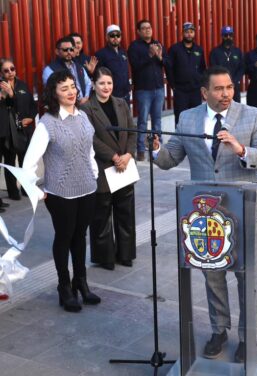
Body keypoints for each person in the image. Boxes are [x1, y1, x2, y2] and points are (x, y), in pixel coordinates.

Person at [152, 66, 257, 363]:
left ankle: (247, 337)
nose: (226, 94)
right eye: (219, 89)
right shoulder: (189, 118)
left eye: (230, 88)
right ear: (204, 92)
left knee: (247, 278)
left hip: (243, 210)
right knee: (213, 276)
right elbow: (171, 159)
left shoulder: (251, 115)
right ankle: (219, 330)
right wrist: (156, 150)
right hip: (205, 213)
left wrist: (242, 149)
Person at [23, 70, 101, 312]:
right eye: (64, 88)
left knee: (80, 237)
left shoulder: (83, 117)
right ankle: (64, 287)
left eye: (72, 86)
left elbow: (88, 151)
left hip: (88, 188)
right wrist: (36, 191)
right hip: (60, 193)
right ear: (54, 94)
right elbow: (28, 163)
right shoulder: (47, 123)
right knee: (64, 238)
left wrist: (94, 173)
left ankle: (82, 283)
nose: (71, 91)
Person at [81, 67, 137, 271]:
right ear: (94, 85)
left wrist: (128, 155)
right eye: (102, 83)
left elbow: (132, 131)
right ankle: (105, 256)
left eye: (109, 83)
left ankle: (126, 253)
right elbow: (90, 138)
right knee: (102, 215)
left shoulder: (121, 103)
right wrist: (113, 157)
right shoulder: (87, 109)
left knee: (125, 213)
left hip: (124, 166)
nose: (106, 87)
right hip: (103, 167)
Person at [128, 19, 166, 161]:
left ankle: (158, 150)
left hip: (159, 88)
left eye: (149, 27)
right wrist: (149, 56)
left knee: (157, 120)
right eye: (143, 28)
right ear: (138, 31)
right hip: (143, 89)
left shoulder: (158, 44)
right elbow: (135, 66)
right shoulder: (134, 47)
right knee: (142, 121)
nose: (147, 30)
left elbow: (165, 63)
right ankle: (141, 150)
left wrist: (160, 57)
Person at [0, 58, 37, 201]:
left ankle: (26, 188)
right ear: (1, 73)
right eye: (6, 70)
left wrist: (31, 117)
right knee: (9, 162)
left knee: (26, 161)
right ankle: (13, 192)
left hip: (25, 128)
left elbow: (31, 104)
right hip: (9, 130)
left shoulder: (22, 84)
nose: (10, 72)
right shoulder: (2, 86)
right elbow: (10, 106)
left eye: (12, 69)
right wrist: (9, 93)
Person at [166, 22, 206, 125]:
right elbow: (169, 68)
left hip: (195, 90)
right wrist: (173, 86)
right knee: (180, 118)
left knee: (196, 118)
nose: (189, 34)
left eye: (191, 32)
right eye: (187, 32)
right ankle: (180, 141)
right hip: (180, 90)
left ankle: (195, 140)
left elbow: (203, 68)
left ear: (194, 33)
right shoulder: (175, 49)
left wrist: (200, 83)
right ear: (182, 33)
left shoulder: (199, 49)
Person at [43, 36, 91, 105]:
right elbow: (51, 91)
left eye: (71, 49)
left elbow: (88, 83)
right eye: (65, 50)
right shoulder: (49, 69)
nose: (69, 52)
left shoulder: (79, 67)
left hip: (84, 105)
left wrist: (86, 97)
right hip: (63, 107)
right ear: (57, 51)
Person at [95, 25, 131, 102]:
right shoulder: (101, 54)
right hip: (111, 95)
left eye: (118, 35)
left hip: (125, 94)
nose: (115, 38)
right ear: (107, 37)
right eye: (112, 35)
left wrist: (128, 88)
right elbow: (98, 75)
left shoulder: (123, 52)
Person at [210, 25, 245, 103]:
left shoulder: (237, 51)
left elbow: (242, 67)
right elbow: (213, 68)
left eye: (230, 35)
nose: (228, 37)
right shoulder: (215, 52)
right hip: (220, 86)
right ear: (222, 36)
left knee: (236, 109)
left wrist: (234, 81)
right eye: (226, 35)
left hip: (234, 85)